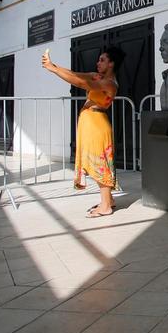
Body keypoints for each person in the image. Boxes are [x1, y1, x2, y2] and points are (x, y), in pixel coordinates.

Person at [41, 46, 124, 218]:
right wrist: (53, 65)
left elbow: (79, 83)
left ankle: (106, 206)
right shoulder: (98, 77)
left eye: (102, 60)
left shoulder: (108, 83)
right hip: (91, 124)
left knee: (100, 165)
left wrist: (52, 69)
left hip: (97, 125)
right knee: (97, 163)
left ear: (111, 64)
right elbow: (75, 74)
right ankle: (108, 200)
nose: (98, 63)